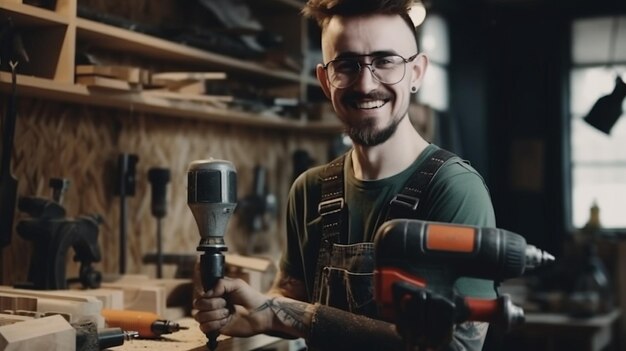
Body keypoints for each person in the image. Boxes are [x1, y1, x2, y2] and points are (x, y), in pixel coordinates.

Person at [194, 0, 497, 350]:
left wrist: (280, 312)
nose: (366, 84)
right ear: (325, 80)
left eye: (385, 61)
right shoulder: (311, 190)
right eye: (347, 65)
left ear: (416, 73)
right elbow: (289, 297)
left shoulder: (455, 191)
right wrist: (253, 310)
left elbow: (457, 345)